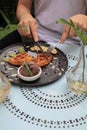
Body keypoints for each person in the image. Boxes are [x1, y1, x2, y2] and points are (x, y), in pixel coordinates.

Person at [16, 0, 87, 43]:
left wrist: (84, 19)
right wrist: (24, 16)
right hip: (36, 36)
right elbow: (23, 5)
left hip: (74, 43)